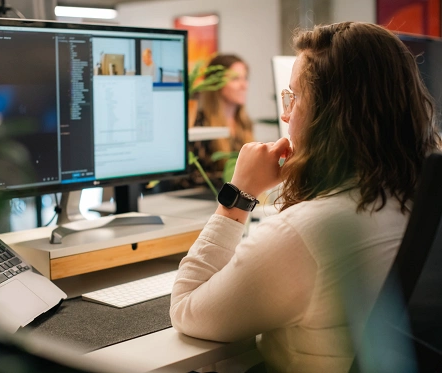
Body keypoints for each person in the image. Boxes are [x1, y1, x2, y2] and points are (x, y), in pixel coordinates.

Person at [170, 21, 441, 373]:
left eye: (294, 98)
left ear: (330, 116)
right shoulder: (424, 197)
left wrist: (238, 196)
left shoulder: (306, 233)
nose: (285, 114)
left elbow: (188, 311)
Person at [187, 53, 255, 190]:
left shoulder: (245, 123)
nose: (244, 85)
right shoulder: (200, 124)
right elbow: (190, 178)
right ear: (216, 83)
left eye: (245, 78)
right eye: (235, 79)